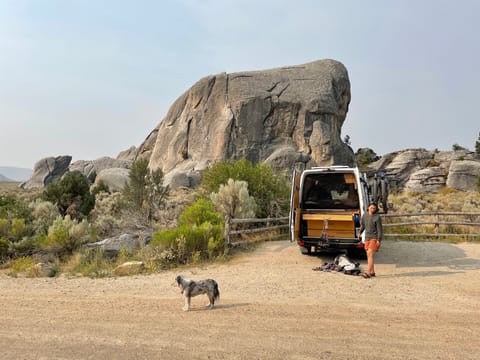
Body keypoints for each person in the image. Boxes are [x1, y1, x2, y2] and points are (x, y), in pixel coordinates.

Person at [358, 201, 383, 278]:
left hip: (374, 237)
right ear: (368, 208)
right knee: (368, 255)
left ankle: (368, 272)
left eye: (374, 208)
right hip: (367, 237)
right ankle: (372, 272)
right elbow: (363, 225)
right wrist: (360, 232)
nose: (372, 209)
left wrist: (379, 240)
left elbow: (380, 230)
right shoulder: (364, 215)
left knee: (370, 254)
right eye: (371, 207)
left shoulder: (377, 217)